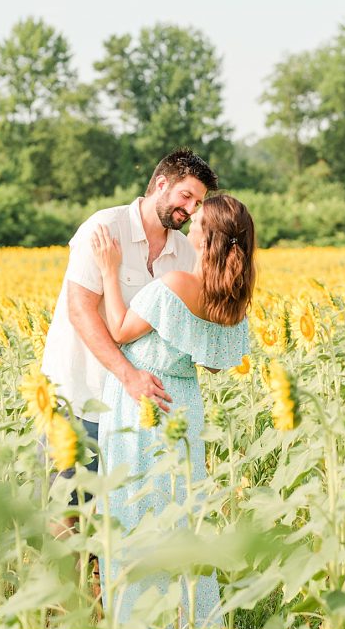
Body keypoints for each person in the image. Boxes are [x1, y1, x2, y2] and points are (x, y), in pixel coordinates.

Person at [39, 148, 219, 572]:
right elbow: (80, 310)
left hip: (138, 409)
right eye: (186, 197)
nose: (190, 210)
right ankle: (74, 607)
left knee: (124, 511)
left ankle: (111, 609)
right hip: (79, 392)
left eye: (197, 204)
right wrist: (128, 376)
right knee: (68, 507)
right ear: (161, 184)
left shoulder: (183, 252)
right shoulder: (104, 229)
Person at [89, 194, 256, 629]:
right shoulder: (230, 301)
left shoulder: (176, 285)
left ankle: (137, 624)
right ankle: (185, 621)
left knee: (134, 515)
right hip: (184, 406)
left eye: (196, 220)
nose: (190, 224)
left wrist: (109, 270)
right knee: (180, 517)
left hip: (142, 405)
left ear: (205, 238)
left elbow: (121, 330)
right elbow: (217, 362)